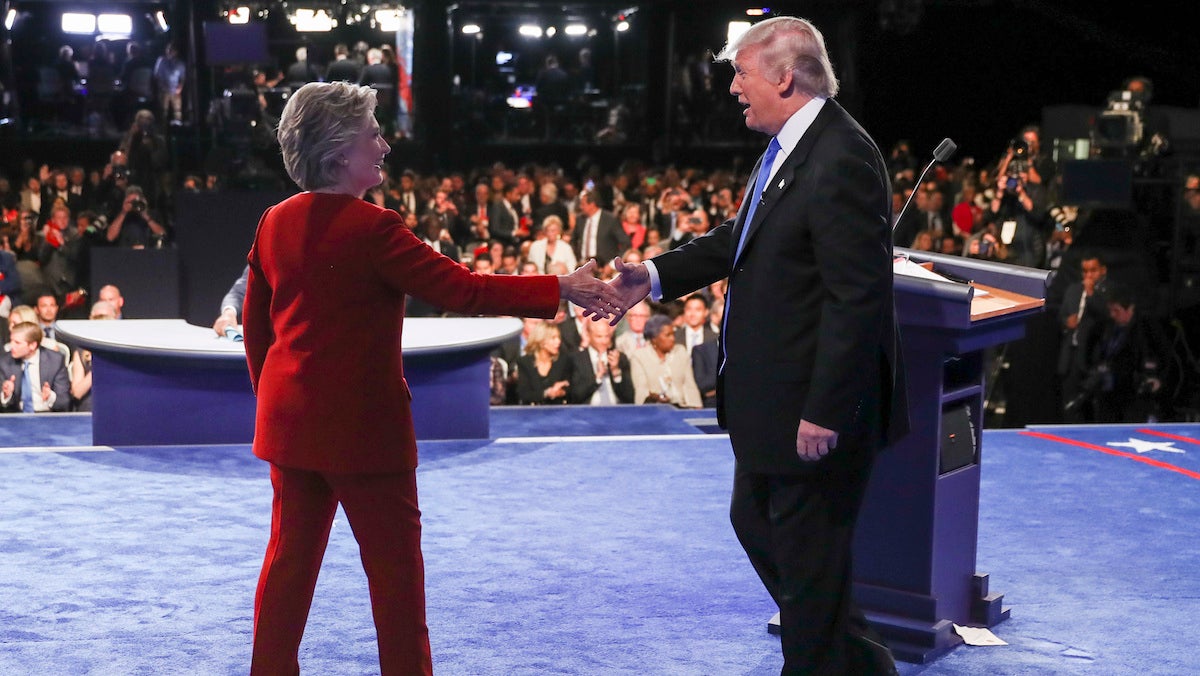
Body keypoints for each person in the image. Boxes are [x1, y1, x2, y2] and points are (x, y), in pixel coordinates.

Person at [242, 81, 622, 675]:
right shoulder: (373, 228)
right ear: (342, 150)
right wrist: (562, 287)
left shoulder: (274, 222)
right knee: (395, 582)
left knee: (287, 566)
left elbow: (256, 330)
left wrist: (272, 396)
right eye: (373, 134)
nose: (385, 146)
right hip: (365, 433)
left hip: (290, 426)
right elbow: (464, 290)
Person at [605, 17, 907, 674]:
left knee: (806, 566)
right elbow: (738, 240)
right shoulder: (793, 148)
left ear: (784, 75)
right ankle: (859, 659)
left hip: (811, 410)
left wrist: (827, 410)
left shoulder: (841, 157)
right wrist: (651, 276)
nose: (734, 87)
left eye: (742, 73)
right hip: (772, 406)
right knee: (763, 527)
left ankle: (828, 660)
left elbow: (856, 300)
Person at [0, 322, 70, 413]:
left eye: (17, 343)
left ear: (32, 345)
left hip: (46, 415)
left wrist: (50, 397)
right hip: (17, 415)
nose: (12, 346)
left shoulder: (55, 361)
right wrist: (6, 395)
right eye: (11, 341)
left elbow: (65, 401)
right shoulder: (5, 362)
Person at [569, 319, 634, 404]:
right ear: (588, 335)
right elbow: (574, 396)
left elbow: (629, 397)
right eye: (599, 337)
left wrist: (616, 372)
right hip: (587, 413)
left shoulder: (620, 358)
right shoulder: (576, 359)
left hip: (616, 412)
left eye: (606, 336)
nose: (604, 341)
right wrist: (597, 377)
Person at [515, 321, 574, 405]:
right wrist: (547, 393)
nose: (558, 342)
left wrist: (561, 392)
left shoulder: (563, 361)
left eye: (558, 338)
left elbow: (571, 389)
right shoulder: (525, 362)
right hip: (532, 414)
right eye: (553, 338)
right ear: (541, 341)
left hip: (557, 412)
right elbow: (523, 394)